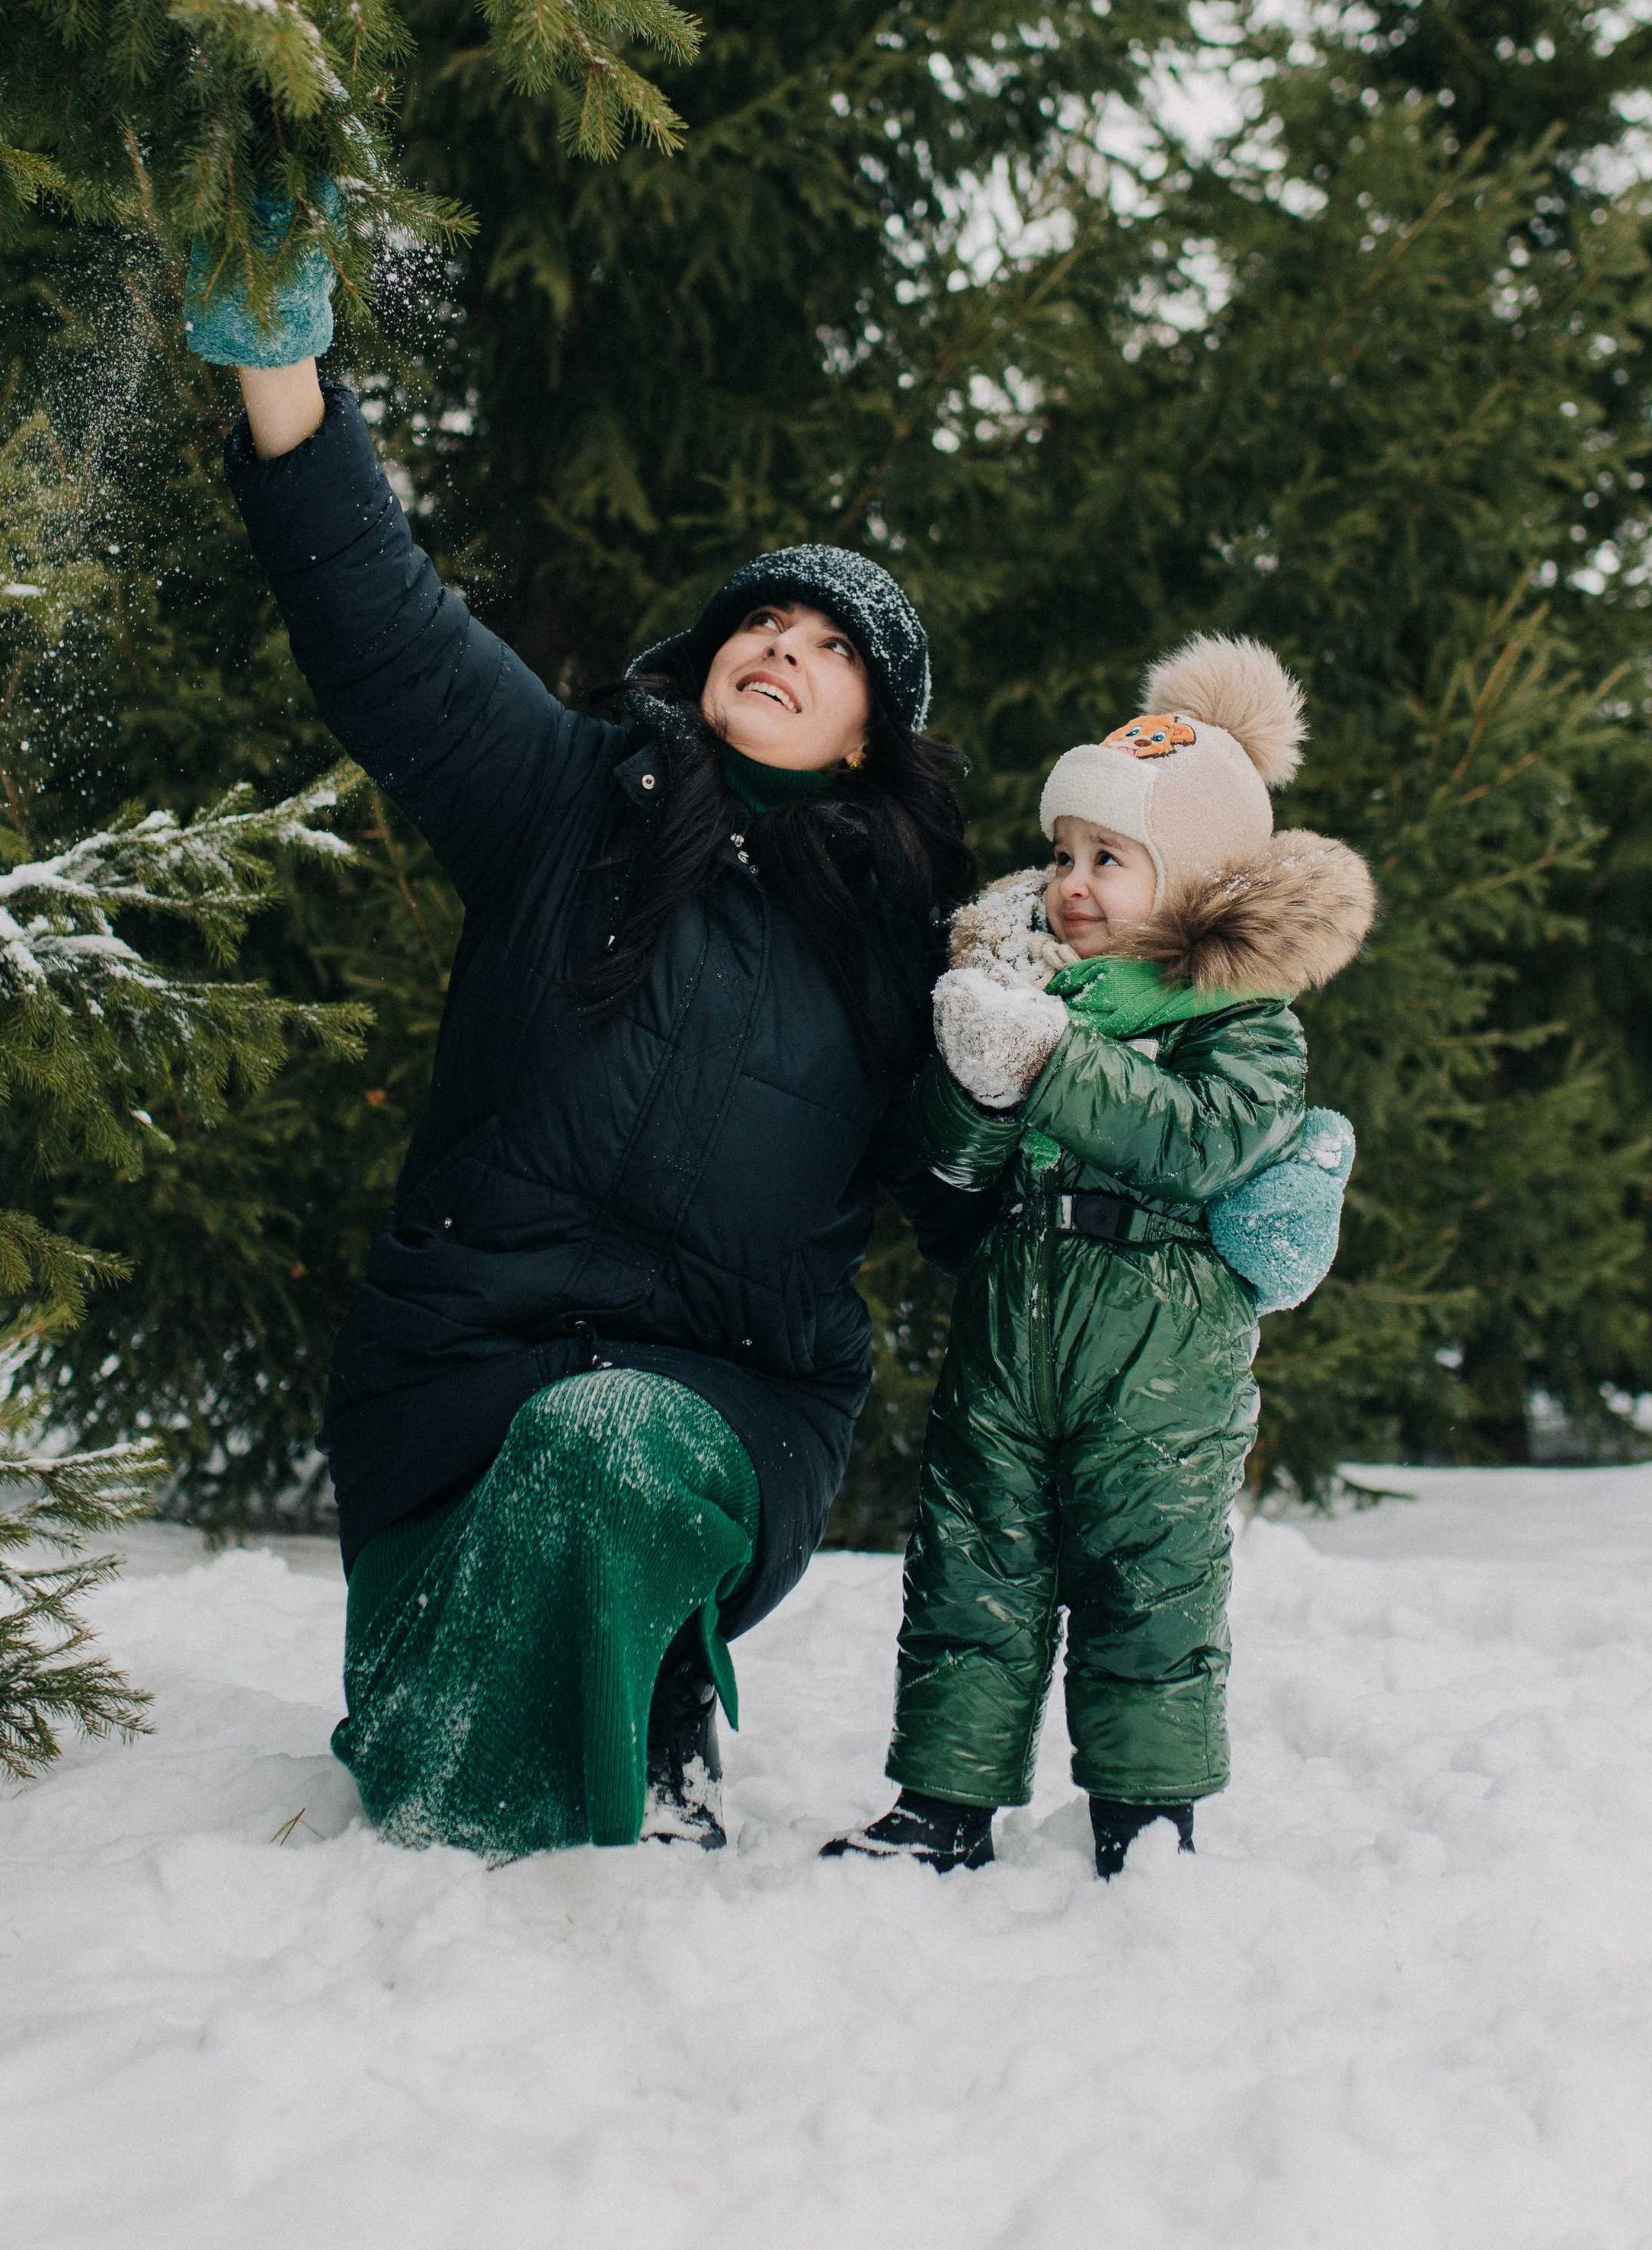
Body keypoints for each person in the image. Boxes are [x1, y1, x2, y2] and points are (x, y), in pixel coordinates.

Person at [186, 207, 988, 1861]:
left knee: (604, 1454)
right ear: (706, 661)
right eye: (765, 621)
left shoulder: (916, 960)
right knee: (439, 1710)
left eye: (833, 652)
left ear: (863, 743)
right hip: (460, 1370)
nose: (785, 645)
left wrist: (1182, 1149)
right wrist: (283, 367)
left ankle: (566, 1797)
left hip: (718, 1407)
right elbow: (385, 629)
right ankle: (539, 1755)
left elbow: (983, 1200)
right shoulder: (562, 800)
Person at [824, 633, 1374, 1880]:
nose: (1071, 881)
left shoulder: (1246, 1025)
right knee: (971, 1564)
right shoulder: (1024, 986)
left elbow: (1199, 1142)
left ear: (1191, 881)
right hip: (1015, 1328)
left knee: (1152, 1581)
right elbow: (948, 1171)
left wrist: (1051, 1065)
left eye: (1109, 859)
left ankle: (1147, 1810)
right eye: (1064, 853)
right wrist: (971, 1079)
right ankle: (942, 1803)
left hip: (1160, 1350)